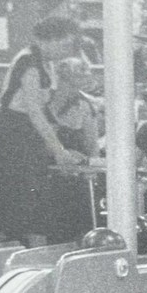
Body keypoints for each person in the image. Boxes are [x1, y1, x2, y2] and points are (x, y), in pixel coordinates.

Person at [0, 16, 88, 246]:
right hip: (13, 136)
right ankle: (2, 255)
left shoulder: (45, 63)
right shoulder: (29, 64)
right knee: (12, 206)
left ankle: (35, 256)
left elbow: (44, 114)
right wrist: (58, 151)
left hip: (25, 134)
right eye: (64, 45)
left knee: (32, 206)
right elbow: (35, 113)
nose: (68, 51)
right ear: (46, 41)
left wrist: (63, 148)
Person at [44, 56, 103, 242]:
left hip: (73, 179)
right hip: (43, 175)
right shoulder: (43, 102)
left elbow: (93, 148)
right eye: (78, 76)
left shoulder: (85, 106)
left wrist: (91, 173)